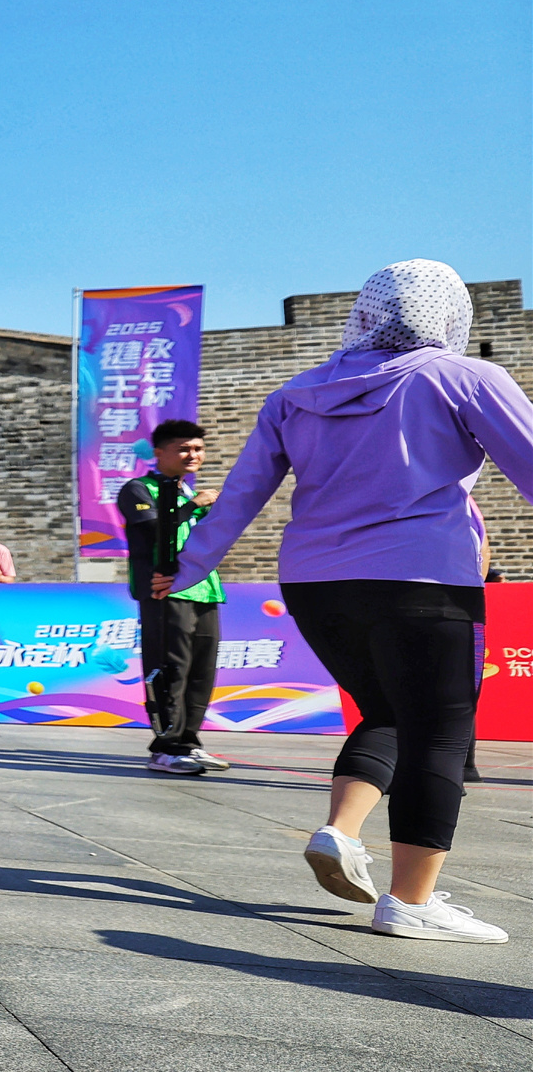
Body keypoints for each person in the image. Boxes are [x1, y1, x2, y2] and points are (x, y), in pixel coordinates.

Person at [159, 260, 533, 943]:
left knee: (388, 714)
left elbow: (243, 490)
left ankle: (341, 832)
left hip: (315, 584)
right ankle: (412, 900)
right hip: (422, 578)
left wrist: (190, 566)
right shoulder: (464, 376)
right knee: (439, 732)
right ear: (451, 315)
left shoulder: (297, 393)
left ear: (365, 313)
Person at [120, 421, 230, 777]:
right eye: (183, 448)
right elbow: (154, 530)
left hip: (204, 589)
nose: (192, 455)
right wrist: (194, 505)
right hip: (166, 591)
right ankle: (165, 747)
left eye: (198, 449)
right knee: (171, 668)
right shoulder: (139, 489)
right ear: (159, 452)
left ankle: (188, 741)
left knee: (201, 671)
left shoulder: (187, 491)